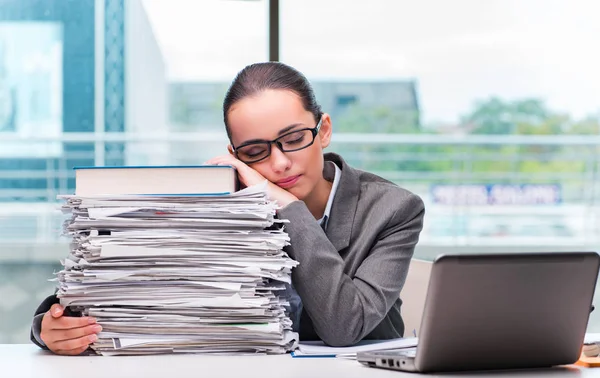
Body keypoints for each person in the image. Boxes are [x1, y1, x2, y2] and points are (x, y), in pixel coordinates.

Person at [30, 62, 425, 355]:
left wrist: (286, 205)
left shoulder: (393, 209)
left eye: (293, 139)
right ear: (235, 155)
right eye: (256, 151)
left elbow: (345, 325)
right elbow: (130, 280)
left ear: (322, 130)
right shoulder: (226, 202)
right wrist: (49, 326)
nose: (279, 164)